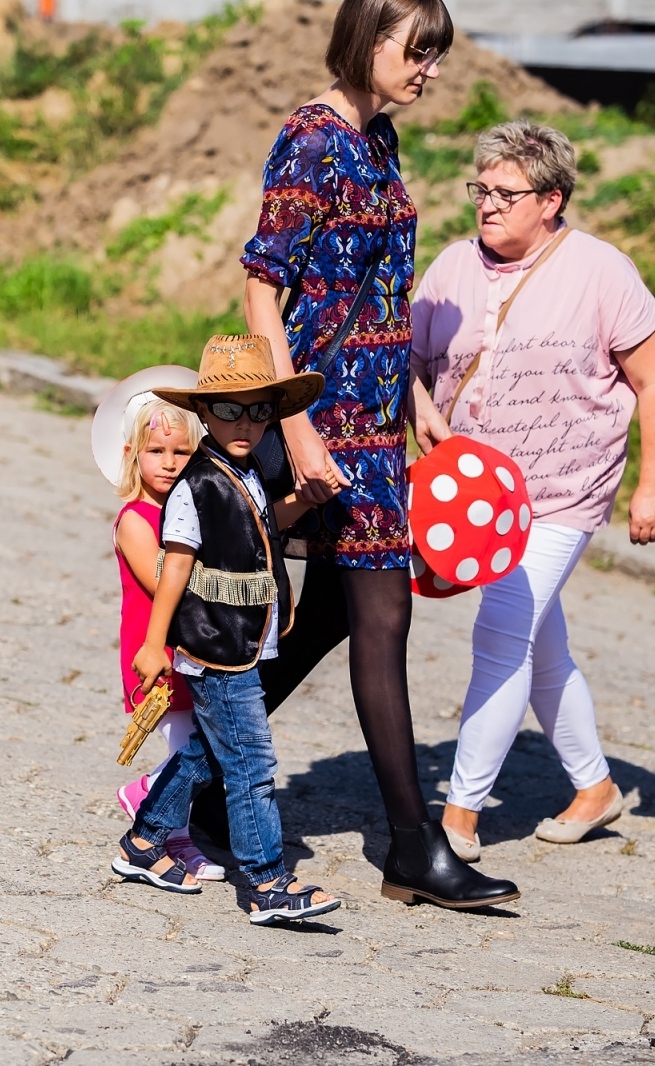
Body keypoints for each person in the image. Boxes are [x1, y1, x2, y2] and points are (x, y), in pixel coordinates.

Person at [235, 0, 518, 910]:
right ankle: (411, 845)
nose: (428, 69)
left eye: (435, 55)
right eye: (417, 51)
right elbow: (261, 287)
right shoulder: (311, 138)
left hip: (377, 423)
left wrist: (420, 404)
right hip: (322, 422)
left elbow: (380, 300)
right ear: (367, 39)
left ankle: (192, 785)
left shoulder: (381, 140)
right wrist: (293, 422)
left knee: (329, 622)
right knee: (382, 616)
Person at [409, 119, 655, 857]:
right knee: (539, 644)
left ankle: (458, 817)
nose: (486, 205)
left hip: (563, 490)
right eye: (480, 189)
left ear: (551, 199)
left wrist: (652, 485)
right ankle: (595, 786)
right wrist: (422, 406)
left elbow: (653, 381)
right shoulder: (451, 269)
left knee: (500, 636)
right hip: (473, 500)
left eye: (505, 192)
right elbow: (401, 360)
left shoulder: (601, 270)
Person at [116, 334, 340, 925]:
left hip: (245, 640)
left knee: (208, 756)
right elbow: (177, 566)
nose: (245, 422)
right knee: (251, 765)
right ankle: (267, 881)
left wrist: (303, 499)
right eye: (229, 410)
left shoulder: (246, 471)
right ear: (205, 414)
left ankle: (144, 841)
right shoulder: (198, 484)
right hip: (216, 646)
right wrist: (152, 643)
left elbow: (264, 523)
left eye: (259, 410)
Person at [108, 390, 225, 880]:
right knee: (192, 749)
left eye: (182, 453)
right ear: (133, 455)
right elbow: (164, 580)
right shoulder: (136, 520)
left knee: (202, 745)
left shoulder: (189, 510)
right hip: (156, 648)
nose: (170, 463)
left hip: (196, 644)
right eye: (157, 452)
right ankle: (146, 797)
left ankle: (176, 836)